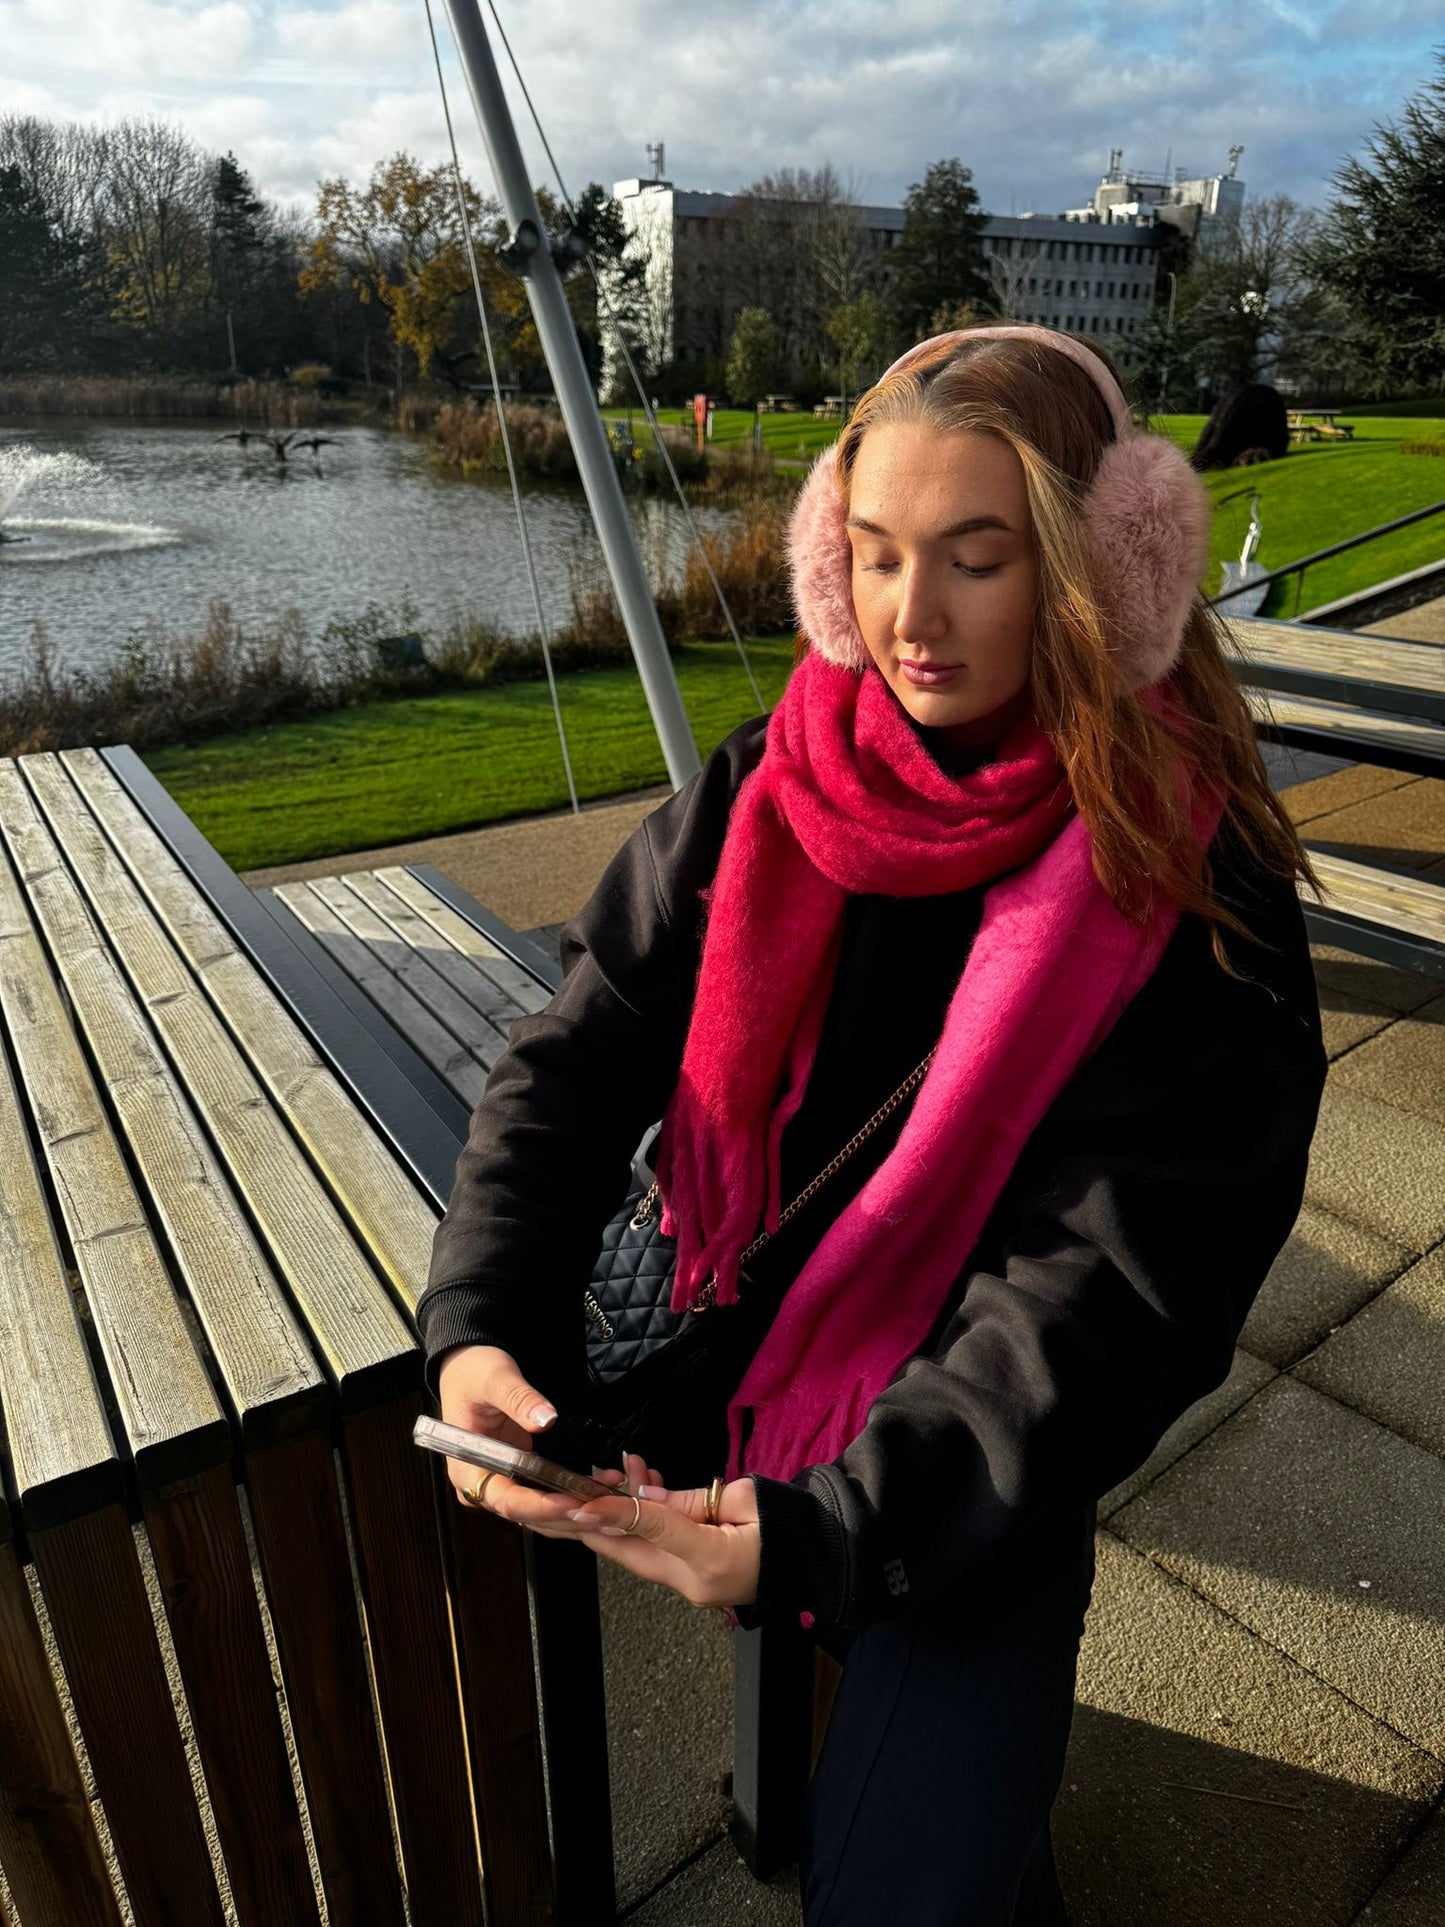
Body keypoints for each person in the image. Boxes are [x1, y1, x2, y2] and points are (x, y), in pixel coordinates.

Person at [417, 327, 1326, 1925]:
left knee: (912, 1885)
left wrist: (832, 1533)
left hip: (975, 1456)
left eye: (976, 562)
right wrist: (478, 1321)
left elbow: (1109, 1294)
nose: (909, 620)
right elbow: (582, 1050)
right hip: (743, 1370)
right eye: (877, 557)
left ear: (1100, 569)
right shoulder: (776, 780)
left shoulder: (1194, 882)